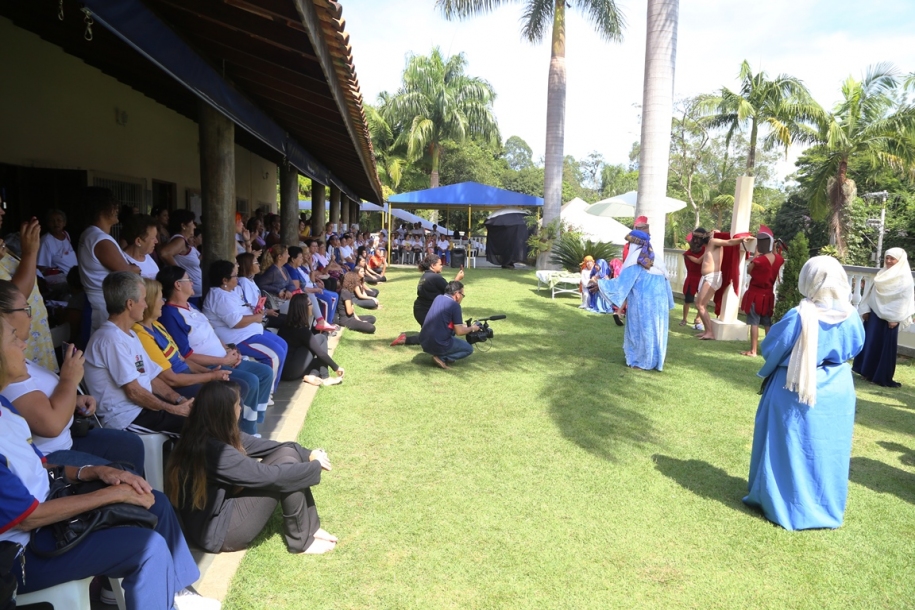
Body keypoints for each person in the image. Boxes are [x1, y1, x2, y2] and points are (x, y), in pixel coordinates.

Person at [0, 354, 220, 610]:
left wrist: (94, 471)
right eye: (12, 338)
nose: (22, 345)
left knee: (154, 501)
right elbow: (28, 518)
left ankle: (177, 589)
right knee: (148, 549)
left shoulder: (5, 407)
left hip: (50, 513)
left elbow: (40, 466)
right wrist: (112, 495)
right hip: (21, 552)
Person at [744, 256, 865, 530]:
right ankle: (823, 506)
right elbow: (856, 346)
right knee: (826, 450)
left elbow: (772, 347)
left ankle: (785, 503)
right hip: (837, 390)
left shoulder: (799, 315)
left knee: (789, 446)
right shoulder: (852, 316)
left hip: (796, 386)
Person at [166, 380, 336, 555]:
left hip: (225, 509)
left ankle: (311, 529)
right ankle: (302, 542)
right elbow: (271, 476)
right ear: (226, 411)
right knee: (286, 469)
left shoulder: (215, 432)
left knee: (287, 454)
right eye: (238, 404)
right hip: (219, 531)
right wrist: (315, 466)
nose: (241, 408)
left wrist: (310, 454)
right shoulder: (215, 451)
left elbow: (278, 447)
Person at [0, 280, 145, 470]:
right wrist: (69, 379)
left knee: (130, 444)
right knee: (123, 476)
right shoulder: (7, 367)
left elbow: (41, 401)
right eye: (26, 309)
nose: (31, 316)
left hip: (67, 439)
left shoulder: (18, 356)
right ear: (3, 316)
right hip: (49, 456)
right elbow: (51, 426)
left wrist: (74, 400)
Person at [157, 265, 274, 435]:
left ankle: (251, 422)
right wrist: (223, 361)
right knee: (249, 381)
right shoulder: (170, 314)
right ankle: (243, 432)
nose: (192, 282)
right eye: (188, 279)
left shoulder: (191, 307)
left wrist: (229, 350)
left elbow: (211, 332)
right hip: (209, 366)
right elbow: (186, 355)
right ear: (177, 285)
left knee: (265, 372)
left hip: (223, 357)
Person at [84, 272, 192, 436]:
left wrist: (180, 400)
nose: (146, 305)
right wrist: (172, 409)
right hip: (126, 418)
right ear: (130, 304)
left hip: (142, 408)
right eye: (143, 299)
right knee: (197, 425)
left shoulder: (129, 334)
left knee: (201, 414)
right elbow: (133, 391)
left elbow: (152, 377)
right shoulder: (111, 339)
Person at [134, 278, 231, 400]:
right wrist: (210, 377)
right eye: (160, 299)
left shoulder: (157, 325)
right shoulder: (141, 333)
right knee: (228, 395)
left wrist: (208, 372)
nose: (163, 303)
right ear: (149, 302)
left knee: (237, 387)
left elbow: (183, 360)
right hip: (178, 385)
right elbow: (171, 379)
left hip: (188, 375)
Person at [597, 219, 674, 371]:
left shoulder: (635, 260)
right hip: (660, 304)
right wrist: (669, 303)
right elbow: (667, 283)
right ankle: (655, 361)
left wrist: (599, 283)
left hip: (643, 304)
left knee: (642, 331)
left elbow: (620, 285)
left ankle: (641, 361)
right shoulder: (656, 258)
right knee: (656, 332)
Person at [203, 260, 289, 393]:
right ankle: (267, 394)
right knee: (274, 356)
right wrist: (256, 318)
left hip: (250, 332)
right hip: (238, 338)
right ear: (224, 280)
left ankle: (272, 387)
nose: (237, 278)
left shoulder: (230, 291)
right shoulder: (219, 296)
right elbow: (236, 322)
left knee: (283, 345)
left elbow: (242, 310)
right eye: (234, 276)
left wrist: (256, 311)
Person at [0, 202, 57, 371]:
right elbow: (14, 298)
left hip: (33, 339)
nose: (2, 211)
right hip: (16, 346)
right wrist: (30, 252)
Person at [853, 247, 915, 387]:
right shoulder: (882, 274)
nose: (888, 261)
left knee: (883, 348)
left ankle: (880, 377)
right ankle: (867, 372)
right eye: (887, 258)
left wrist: (895, 318)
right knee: (871, 343)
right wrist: (866, 309)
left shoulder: (905, 278)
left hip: (890, 320)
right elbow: (871, 293)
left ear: (900, 260)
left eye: (892, 259)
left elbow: (903, 300)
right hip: (874, 315)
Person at [391, 254, 464, 347]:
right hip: (426, 311)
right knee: (442, 334)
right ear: (433, 265)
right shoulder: (435, 278)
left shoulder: (426, 276)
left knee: (435, 334)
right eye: (440, 264)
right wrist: (457, 279)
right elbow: (452, 291)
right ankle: (405, 339)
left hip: (421, 310)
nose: (442, 266)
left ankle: (406, 339)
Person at [694, 230, 754, 340]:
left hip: (712, 277)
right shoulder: (709, 245)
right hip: (708, 277)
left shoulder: (713, 242)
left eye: (697, 239)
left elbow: (729, 242)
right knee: (700, 305)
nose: (695, 241)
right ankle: (707, 331)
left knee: (700, 305)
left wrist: (742, 239)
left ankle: (709, 333)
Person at [278, 294, 344, 385]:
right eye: (310, 304)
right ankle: (326, 377)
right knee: (321, 338)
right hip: (291, 370)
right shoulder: (302, 330)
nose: (312, 306)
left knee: (319, 361)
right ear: (303, 308)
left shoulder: (286, 322)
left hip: (282, 370)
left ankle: (311, 375)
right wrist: (336, 367)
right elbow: (320, 353)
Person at [740, 228, 784, 357]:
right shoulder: (779, 259)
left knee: (754, 322)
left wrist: (755, 254)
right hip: (768, 294)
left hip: (755, 294)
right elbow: (776, 258)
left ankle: (753, 350)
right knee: (767, 322)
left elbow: (749, 270)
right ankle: (769, 350)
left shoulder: (759, 261)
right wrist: (773, 249)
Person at [419, 281, 480, 369]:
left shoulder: (438, 298)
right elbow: (459, 331)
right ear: (457, 294)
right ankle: (441, 357)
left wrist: (468, 326)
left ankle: (442, 353)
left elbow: (452, 324)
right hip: (437, 343)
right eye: (463, 295)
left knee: (452, 332)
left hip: (424, 341)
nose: (462, 298)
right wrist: (472, 328)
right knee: (468, 349)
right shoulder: (455, 306)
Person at [159, 209, 203, 298]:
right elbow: (164, 253)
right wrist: (179, 273)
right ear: (183, 226)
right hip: (190, 295)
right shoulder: (180, 240)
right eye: (192, 223)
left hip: (195, 294)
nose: (194, 226)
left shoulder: (183, 240)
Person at [37, 208, 78, 275]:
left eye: (59, 220)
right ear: (48, 224)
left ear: (64, 223)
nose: (56, 223)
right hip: (59, 279)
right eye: (52, 221)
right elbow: (41, 266)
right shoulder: (45, 241)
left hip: (73, 277)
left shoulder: (66, 234)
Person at [122, 214, 161, 280]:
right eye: (153, 238)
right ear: (138, 241)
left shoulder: (149, 255)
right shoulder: (123, 262)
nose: (156, 241)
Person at [680, 230, 706, 327]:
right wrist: (708, 251)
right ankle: (684, 319)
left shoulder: (705, 249)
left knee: (702, 300)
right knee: (688, 300)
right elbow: (698, 261)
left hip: (702, 277)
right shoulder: (688, 253)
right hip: (691, 278)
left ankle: (698, 319)